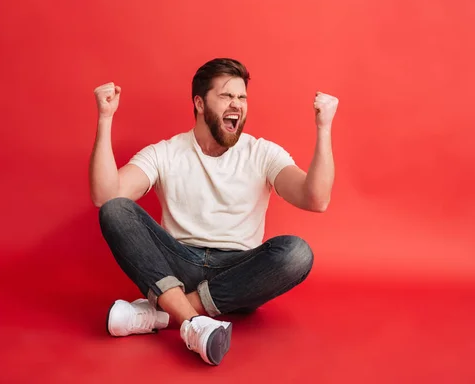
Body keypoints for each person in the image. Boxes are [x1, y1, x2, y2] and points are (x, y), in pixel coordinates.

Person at [89, 58, 338, 366]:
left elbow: (315, 199)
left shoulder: (262, 153)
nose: (237, 104)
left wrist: (323, 127)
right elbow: (104, 196)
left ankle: (166, 315)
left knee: (297, 253)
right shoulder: (166, 152)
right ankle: (195, 322)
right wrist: (105, 117)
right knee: (116, 210)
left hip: (236, 275)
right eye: (226, 96)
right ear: (200, 103)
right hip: (177, 265)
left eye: (242, 97)